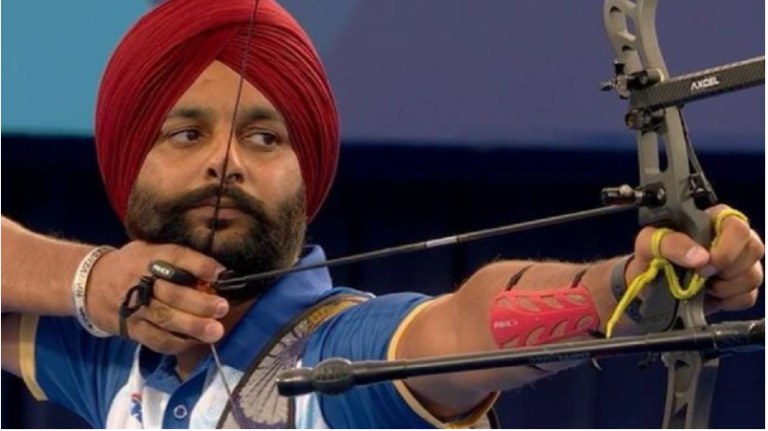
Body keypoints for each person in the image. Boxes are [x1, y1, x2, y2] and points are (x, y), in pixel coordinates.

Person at [1, 0, 763, 428]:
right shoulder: (117, 359)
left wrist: (629, 288)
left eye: (265, 137)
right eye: (186, 133)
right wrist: (90, 279)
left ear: (307, 178)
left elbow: (465, 325)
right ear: (128, 165)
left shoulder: (338, 356)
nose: (226, 161)